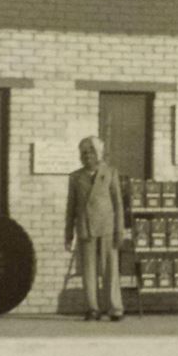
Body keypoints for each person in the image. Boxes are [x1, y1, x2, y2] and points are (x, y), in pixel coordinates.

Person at [65, 136, 125, 321]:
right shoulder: (75, 177)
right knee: (88, 270)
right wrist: (68, 234)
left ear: (99, 154)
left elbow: (118, 205)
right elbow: (71, 207)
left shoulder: (110, 172)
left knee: (110, 269)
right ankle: (92, 308)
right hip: (85, 227)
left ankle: (115, 308)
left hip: (107, 227)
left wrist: (119, 231)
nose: (87, 156)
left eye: (91, 152)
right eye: (83, 153)